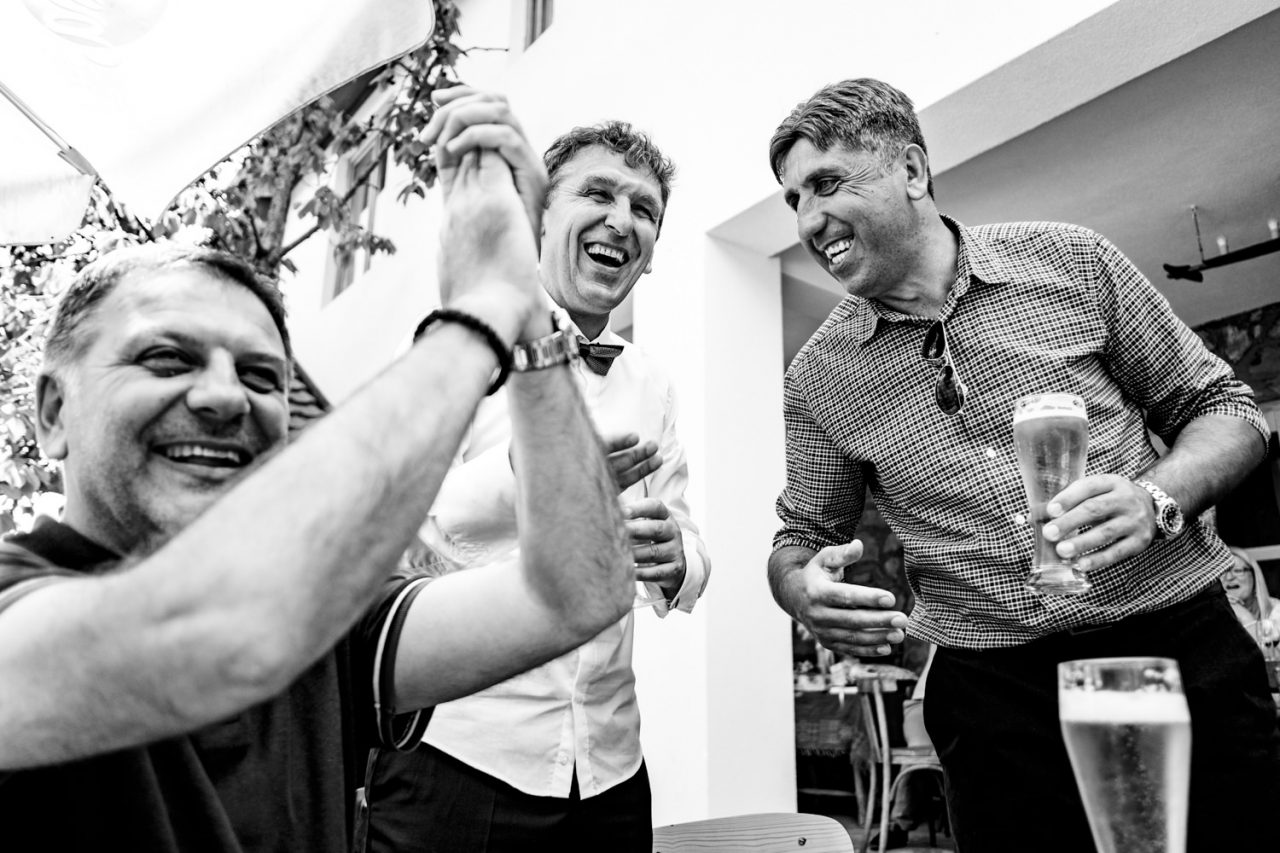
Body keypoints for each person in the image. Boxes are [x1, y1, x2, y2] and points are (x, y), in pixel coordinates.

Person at [0, 128, 637, 851]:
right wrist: (481, 316)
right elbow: (217, 637)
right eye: (167, 358)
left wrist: (533, 330)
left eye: (259, 375)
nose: (224, 396)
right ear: (53, 412)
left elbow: (576, 595)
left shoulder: (326, 613)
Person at [765, 77, 1280, 851]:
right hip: (993, 701)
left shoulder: (1074, 260)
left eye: (828, 183)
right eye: (794, 199)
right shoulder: (817, 376)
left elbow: (1228, 410)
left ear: (912, 170)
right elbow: (799, 538)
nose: (808, 220)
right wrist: (800, 589)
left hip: (1175, 648)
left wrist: (1156, 497)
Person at [361, 88, 710, 853]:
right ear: (541, 218)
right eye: (598, 193)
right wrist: (532, 474)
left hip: (611, 772)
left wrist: (678, 558)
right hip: (461, 760)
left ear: (651, 253)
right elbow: (399, 527)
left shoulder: (652, 385)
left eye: (644, 209)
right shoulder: (454, 344)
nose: (622, 219)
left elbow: (687, 541)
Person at [1222, 546, 1280, 651]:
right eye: (1222, 573)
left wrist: (1245, 617)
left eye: (1237, 570)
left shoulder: (1277, 610)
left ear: (1254, 575)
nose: (1229, 577)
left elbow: (1269, 655)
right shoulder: (1214, 615)